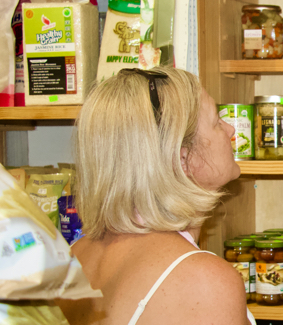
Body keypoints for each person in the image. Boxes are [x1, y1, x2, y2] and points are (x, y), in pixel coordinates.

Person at [56, 67, 253, 325]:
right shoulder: (202, 281)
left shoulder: (74, 253)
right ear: (183, 159)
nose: (230, 131)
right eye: (217, 122)